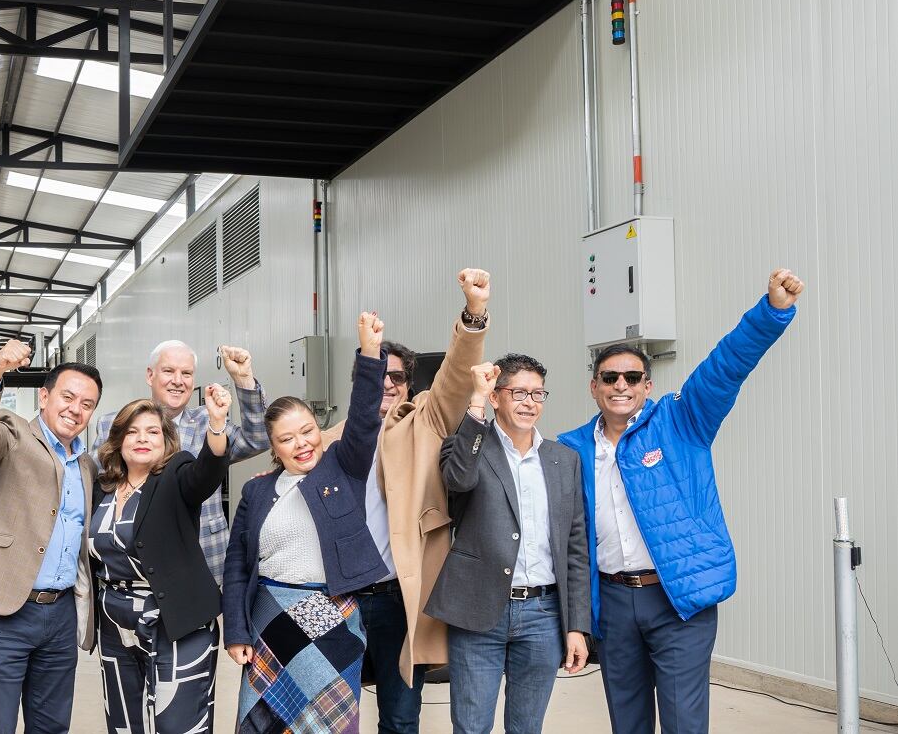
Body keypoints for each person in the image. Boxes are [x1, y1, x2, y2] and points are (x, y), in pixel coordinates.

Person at [557, 269, 805, 734]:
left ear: (648, 385)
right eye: (609, 377)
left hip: (678, 600)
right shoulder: (570, 449)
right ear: (594, 386)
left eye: (633, 376)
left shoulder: (682, 420)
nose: (621, 385)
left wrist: (771, 313)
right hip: (610, 602)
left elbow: (725, 367)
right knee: (626, 722)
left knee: (683, 723)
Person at [319, 269, 492, 733]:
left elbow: (456, 376)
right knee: (334, 713)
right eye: (376, 372)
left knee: (399, 717)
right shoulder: (324, 444)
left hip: (399, 597)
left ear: (409, 384)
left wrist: (474, 313)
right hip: (341, 598)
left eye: (396, 376)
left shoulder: (426, 422)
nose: (386, 384)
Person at [223, 312, 390, 734]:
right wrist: (236, 631)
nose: (302, 444)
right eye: (287, 439)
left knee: (330, 726)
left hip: (333, 618)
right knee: (268, 723)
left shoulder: (343, 468)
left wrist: (370, 354)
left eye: (308, 431)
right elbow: (238, 568)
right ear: (274, 448)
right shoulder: (257, 492)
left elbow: (365, 418)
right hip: (271, 619)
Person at [0, 339, 101, 734]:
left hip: (60, 614)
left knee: (51, 726)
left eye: (87, 404)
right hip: (2, 611)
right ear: (44, 396)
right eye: (67, 397)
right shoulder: (12, 434)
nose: (75, 409)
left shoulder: (85, 463)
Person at [427, 355, 590, 734]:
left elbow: (576, 548)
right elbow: (459, 482)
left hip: (543, 613)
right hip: (480, 609)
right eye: (518, 392)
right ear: (497, 397)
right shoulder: (468, 447)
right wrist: (475, 403)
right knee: (471, 727)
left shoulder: (563, 460)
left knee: (527, 727)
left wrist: (576, 626)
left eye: (537, 393)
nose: (529, 402)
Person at [89, 389, 233, 734]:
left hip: (176, 620)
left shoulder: (176, 473)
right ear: (118, 440)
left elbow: (207, 473)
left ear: (166, 440)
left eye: (152, 431)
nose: (142, 439)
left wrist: (216, 424)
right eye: (132, 431)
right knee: (125, 721)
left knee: (178, 723)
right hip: (114, 621)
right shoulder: (102, 486)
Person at [93, 341, 270, 585]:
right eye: (168, 371)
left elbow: (258, 438)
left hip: (201, 562)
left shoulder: (208, 422)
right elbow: (94, 487)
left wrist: (243, 379)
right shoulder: (114, 424)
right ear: (150, 375)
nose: (178, 380)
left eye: (186, 373)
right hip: (132, 569)